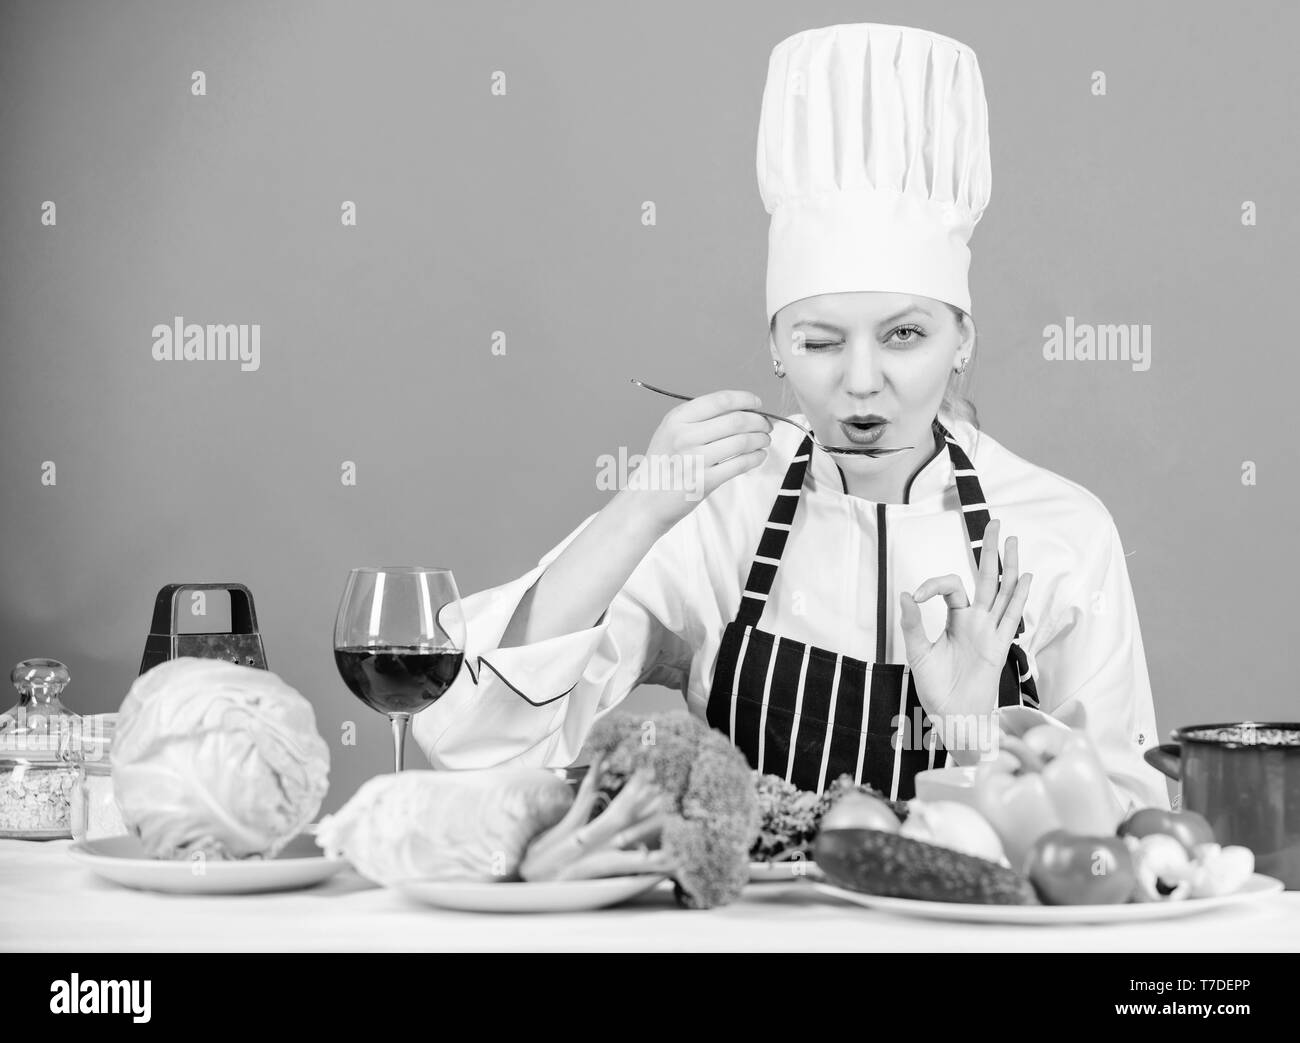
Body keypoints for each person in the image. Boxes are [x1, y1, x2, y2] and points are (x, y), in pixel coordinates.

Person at [413, 22, 1171, 813]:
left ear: (962, 339)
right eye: (820, 340)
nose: (862, 382)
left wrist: (981, 739)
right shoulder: (716, 514)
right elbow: (472, 739)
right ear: (776, 345)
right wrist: (634, 512)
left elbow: (1128, 828)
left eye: (905, 334)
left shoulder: (1062, 530)